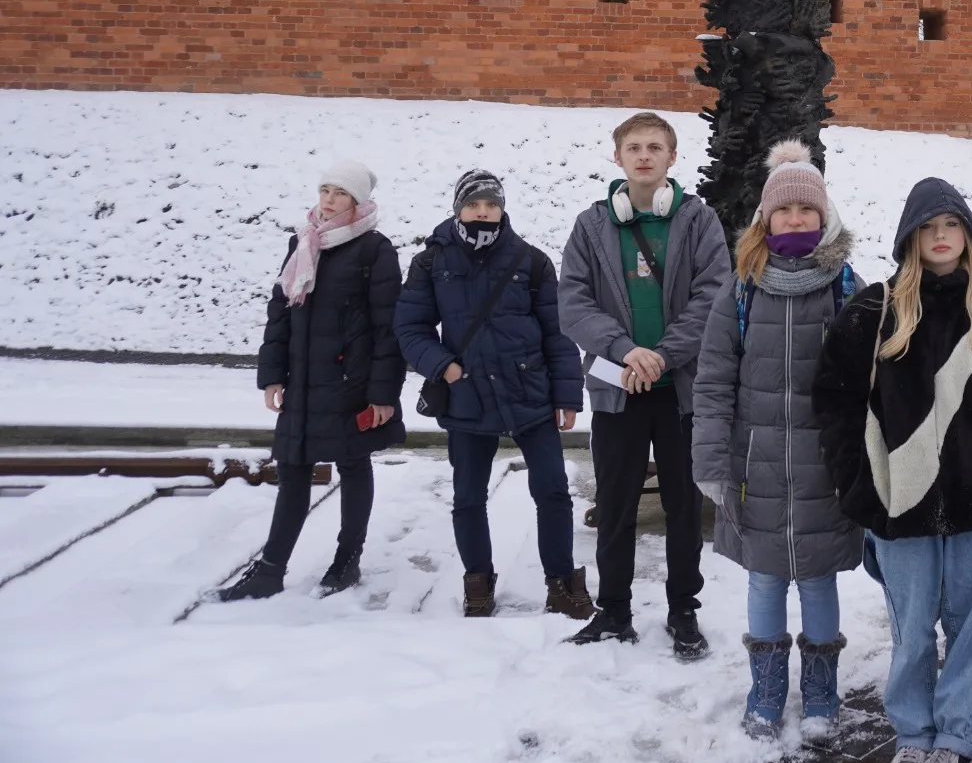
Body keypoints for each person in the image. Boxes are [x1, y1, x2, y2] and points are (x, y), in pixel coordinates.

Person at [815, 179, 972, 763]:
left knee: (971, 629)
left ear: (968, 237)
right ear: (910, 239)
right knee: (911, 629)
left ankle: (959, 738)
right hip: (899, 501)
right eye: (928, 227)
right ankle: (914, 733)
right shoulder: (874, 310)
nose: (940, 237)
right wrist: (858, 488)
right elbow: (836, 405)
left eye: (951, 226)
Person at [694, 141, 864, 741]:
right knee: (764, 579)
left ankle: (820, 689)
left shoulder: (847, 287)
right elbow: (713, 382)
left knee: (817, 580)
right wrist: (711, 461)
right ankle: (766, 688)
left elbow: (868, 383)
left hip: (825, 467)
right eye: (784, 211)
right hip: (754, 467)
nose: (795, 220)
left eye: (806, 211)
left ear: (824, 218)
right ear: (765, 220)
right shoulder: (740, 289)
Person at [558, 112, 730, 654]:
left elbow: (715, 297)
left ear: (672, 158)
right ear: (618, 157)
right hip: (617, 391)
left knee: (683, 505)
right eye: (634, 146)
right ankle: (613, 611)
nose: (644, 155)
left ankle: (683, 610)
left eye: (655, 146)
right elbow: (573, 302)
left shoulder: (700, 222)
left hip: (681, 392)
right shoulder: (591, 226)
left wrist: (660, 355)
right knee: (615, 503)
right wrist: (625, 351)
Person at [395, 170, 595, 621]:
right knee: (468, 496)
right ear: (458, 208)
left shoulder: (531, 260)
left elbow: (558, 332)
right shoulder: (431, 262)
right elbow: (410, 327)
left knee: (553, 492)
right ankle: (478, 583)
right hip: (466, 395)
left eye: (491, 204)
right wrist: (442, 366)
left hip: (530, 393)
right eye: (474, 204)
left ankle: (561, 583)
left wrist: (567, 396)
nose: (483, 212)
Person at [220, 160, 403, 601]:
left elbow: (388, 326)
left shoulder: (375, 249)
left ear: (358, 202)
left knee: (354, 464)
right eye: (325, 189)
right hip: (301, 380)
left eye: (340, 193)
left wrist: (382, 392)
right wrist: (272, 375)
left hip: (348, 381)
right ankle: (270, 570)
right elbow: (280, 312)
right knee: (293, 468)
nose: (329, 199)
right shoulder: (303, 242)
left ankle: (347, 559)